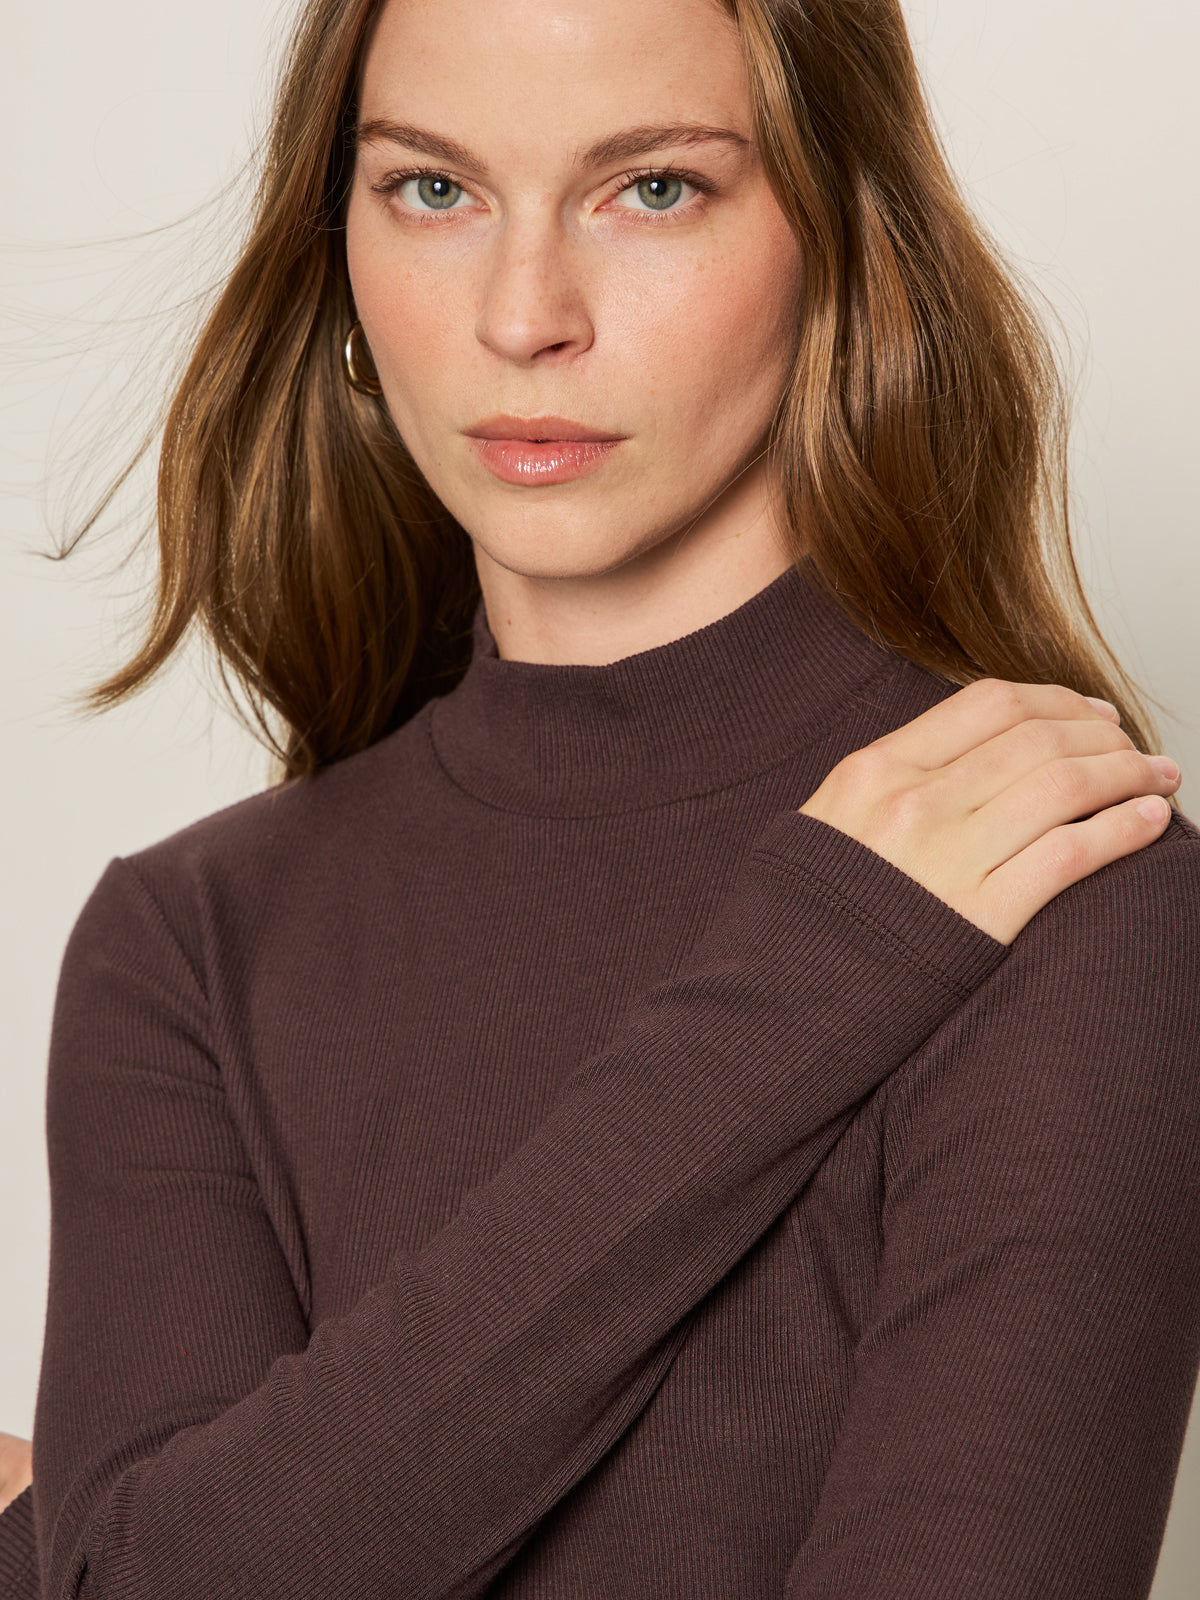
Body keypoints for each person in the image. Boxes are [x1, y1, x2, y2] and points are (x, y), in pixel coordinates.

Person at [1, 0, 1197, 1594]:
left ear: (842, 233)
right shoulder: (192, 942)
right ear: (336, 246)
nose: (523, 316)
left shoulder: (1071, 890)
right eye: (434, 189)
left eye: (654, 188)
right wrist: (803, 994)